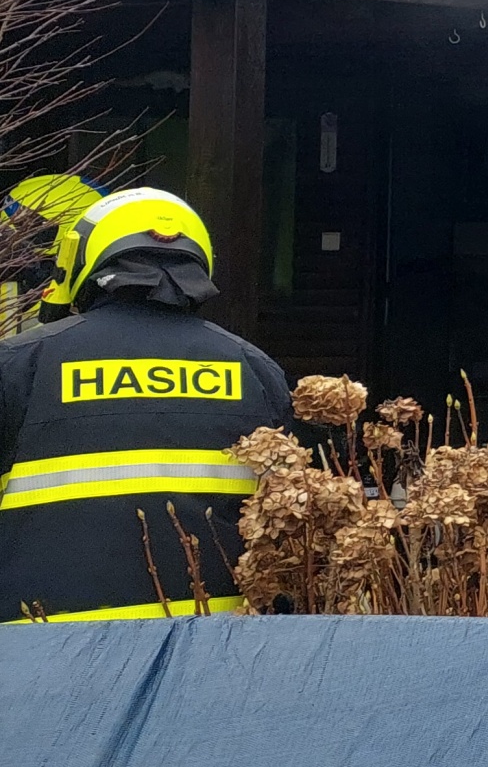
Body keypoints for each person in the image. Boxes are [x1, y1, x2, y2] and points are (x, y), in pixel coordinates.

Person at [0, 186, 291, 622]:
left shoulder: (20, 364)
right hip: (217, 647)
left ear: (82, 260)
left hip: (49, 651)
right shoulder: (257, 370)